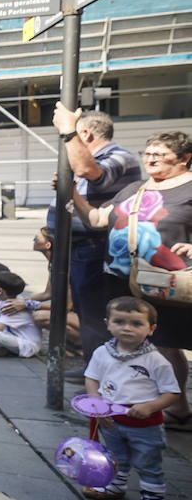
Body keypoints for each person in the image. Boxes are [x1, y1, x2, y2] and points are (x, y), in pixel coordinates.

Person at [73, 131, 192, 427]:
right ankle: (135, 400)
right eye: (147, 153)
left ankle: (176, 408)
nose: (150, 159)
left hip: (167, 282)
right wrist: (72, 195)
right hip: (121, 279)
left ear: (185, 159)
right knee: (128, 341)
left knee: (164, 345)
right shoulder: (135, 188)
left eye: (159, 155)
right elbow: (98, 219)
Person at [50, 105, 142, 378]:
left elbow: (87, 170)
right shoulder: (104, 156)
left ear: (86, 134)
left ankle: (104, 373)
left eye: (74, 136)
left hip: (96, 248)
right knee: (86, 311)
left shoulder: (119, 157)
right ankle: (95, 368)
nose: (67, 142)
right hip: (80, 249)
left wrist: (68, 132)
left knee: (96, 312)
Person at [81, 297, 181, 500]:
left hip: (145, 424)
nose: (126, 328)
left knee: (148, 463)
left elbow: (172, 393)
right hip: (110, 419)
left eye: (136, 323)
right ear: (107, 323)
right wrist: (96, 402)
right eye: (119, 321)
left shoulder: (156, 360)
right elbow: (92, 378)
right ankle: (115, 486)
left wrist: (150, 406)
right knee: (116, 457)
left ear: (151, 329)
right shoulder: (102, 352)